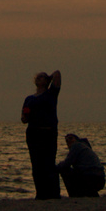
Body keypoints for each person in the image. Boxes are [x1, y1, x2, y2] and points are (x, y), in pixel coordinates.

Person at [21, 68, 62, 198]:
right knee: (36, 165)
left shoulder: (51, 94)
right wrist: (26, 116)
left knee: (49, 163)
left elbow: (57, 73)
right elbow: (23, 118)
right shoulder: (29, 99)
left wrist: (49, 77)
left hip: (48, 132)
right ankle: (40, 193)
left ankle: (54, 193)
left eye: (42, 77)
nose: (40, 78)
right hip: (33, 133)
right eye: (38, 77)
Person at [56, 132, 105, 197]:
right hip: (99, 179)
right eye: (66, 140)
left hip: (91, 178)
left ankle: (74, 195)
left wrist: (56, 167)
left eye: (70, 138)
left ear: (76, 139)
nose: (69, 141)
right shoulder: (85, 147)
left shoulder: (76, 145)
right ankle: (90, 193)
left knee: (64, 170)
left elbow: (66, 163)